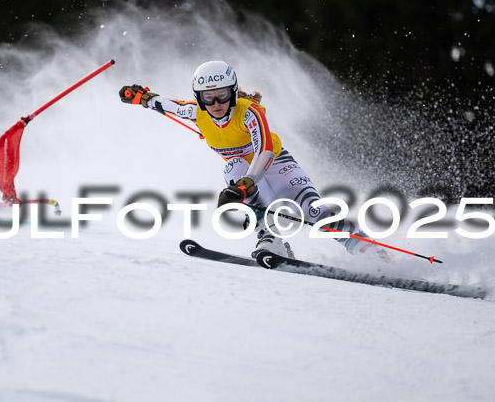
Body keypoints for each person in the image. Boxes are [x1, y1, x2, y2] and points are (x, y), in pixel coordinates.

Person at [120, 60, 385, 260]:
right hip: (245, 173)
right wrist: (142, 97)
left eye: (222, 95)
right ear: (199, 98)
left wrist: (246, 183)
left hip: (277, 165)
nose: (215, 103)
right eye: (207, 97)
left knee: (312, 211)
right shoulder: (196, 111)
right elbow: (166, 105)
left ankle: (365, 247)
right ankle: (271, 237)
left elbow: (265, 151)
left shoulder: (249, 112)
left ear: (233, 92)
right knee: (233, 166)